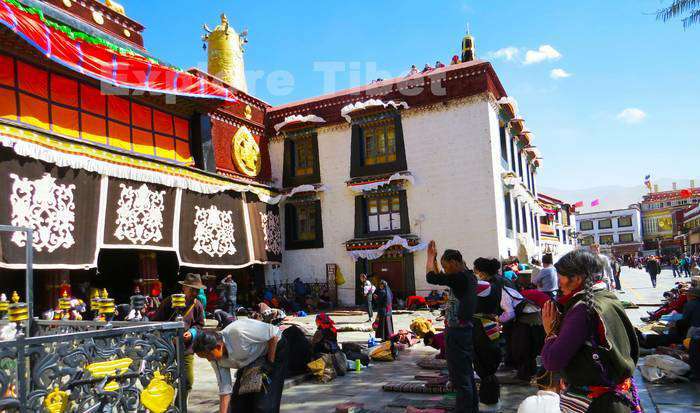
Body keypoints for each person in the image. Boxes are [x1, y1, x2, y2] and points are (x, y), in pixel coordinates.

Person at [541, 250, 640, 412]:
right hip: (618, 397)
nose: (558, 283)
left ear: (577, 279)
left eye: (561, 278)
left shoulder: (583, 309)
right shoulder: (606, 297)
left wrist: (550, 331)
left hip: (599, 404)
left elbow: (552, 361)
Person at [193, 317, 288, 413]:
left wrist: (270, 363)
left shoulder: (238, 332)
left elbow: (273, 335)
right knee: (238, 405)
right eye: (204, 358)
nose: (209, 360)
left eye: (208, 355)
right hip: (251, 358)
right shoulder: (215, 359)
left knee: (264, 406)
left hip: (274, 349)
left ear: (218, 346)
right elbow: (225, 389)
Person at [426, 241, 478, 412]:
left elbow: (431, 277)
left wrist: (430, 257)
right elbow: (439, 275)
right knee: (466, 375)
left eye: (446, 266)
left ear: (454, 263)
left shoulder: (459, 277)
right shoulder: (468, 275)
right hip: (465, 330)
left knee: (460, 378)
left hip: (457, 332)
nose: (445, 270)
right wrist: (434, 260)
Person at [152, 273, 206, 406]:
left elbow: (199, 324)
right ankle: (164, 406)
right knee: (166, 379)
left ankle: (179, 406)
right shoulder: (170, 301)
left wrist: (192, 333)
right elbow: (155, 321)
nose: (195, 292)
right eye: (192, 289)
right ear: (184, 288)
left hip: (186, 347)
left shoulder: (197, 305)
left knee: (188, 380)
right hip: (166, 346)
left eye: (197, 290)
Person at [472, 258, 505, 411]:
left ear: (482, 272)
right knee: (490, 360)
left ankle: (488, 399)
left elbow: (466, 285)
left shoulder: (486, 285)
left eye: (476, 271)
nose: (475, 274)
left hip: (482, 326)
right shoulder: (498, 282)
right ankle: (492, 398)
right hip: (491, 324)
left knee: (483, 360)